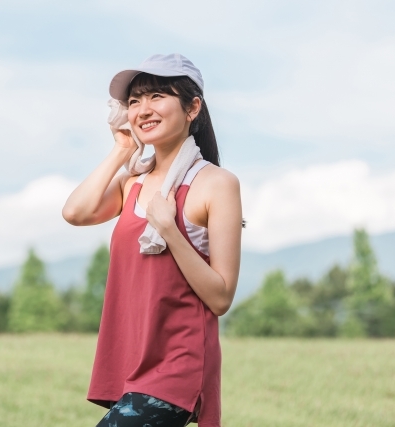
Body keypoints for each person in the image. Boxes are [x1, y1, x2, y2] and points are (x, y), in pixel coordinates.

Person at [62, 54, 242, 427]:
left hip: (178, 366)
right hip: (135, 362)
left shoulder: (217, 184)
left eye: (158, 96)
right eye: (134, 101)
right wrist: (123, 149)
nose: (143, 109)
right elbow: (75, 212)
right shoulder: (133, 182)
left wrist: (171, 231)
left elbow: (221, 296)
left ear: (193, 107)